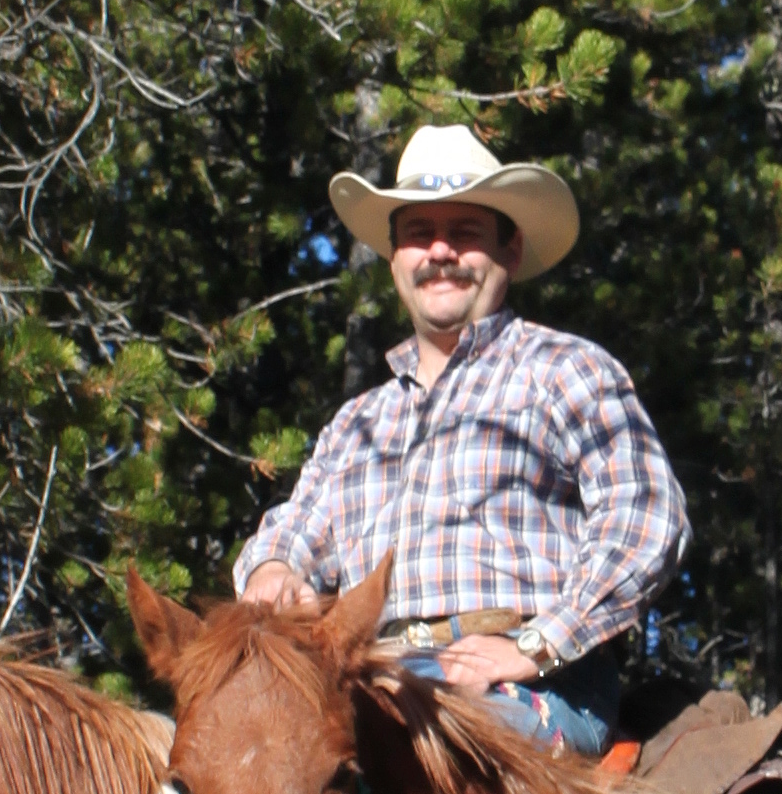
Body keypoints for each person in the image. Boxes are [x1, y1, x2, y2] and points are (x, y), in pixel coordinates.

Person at [234, 123, 687, 756]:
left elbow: (645, 515)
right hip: (374, 681)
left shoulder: (564, 370)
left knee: (404, 759)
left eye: (465, 233)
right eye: (419, 233)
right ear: (395, 259)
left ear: (511, 249)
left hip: (538, 686)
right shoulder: (357, 423)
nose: (439, 251)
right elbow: (297, 529)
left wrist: (534, 645)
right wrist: (276, 569)